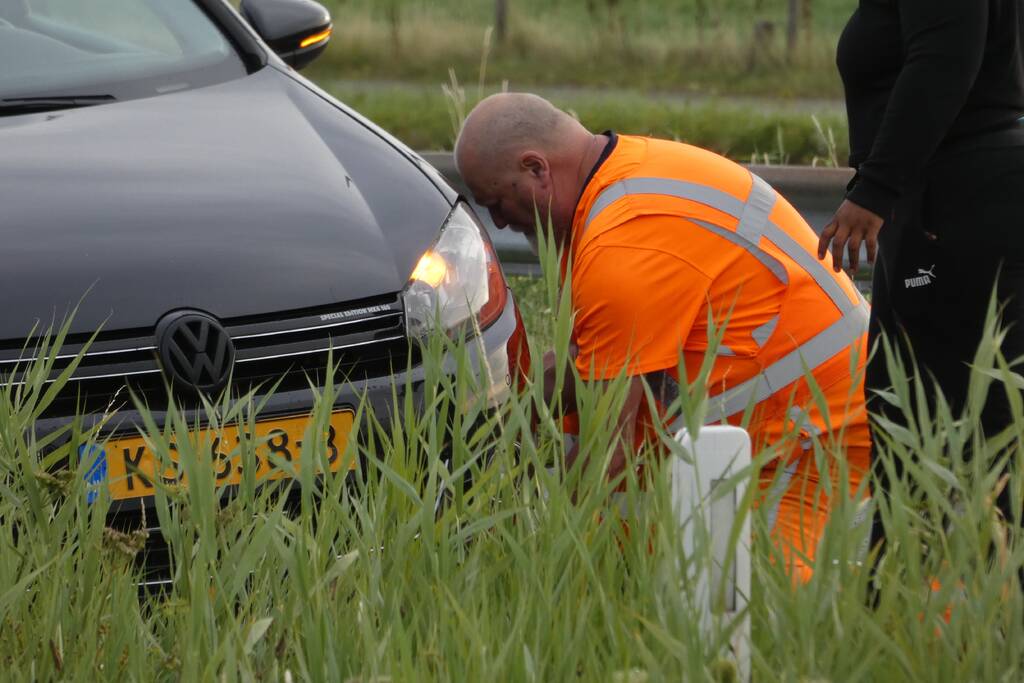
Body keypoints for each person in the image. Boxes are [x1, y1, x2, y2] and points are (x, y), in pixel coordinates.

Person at [455, 93, 871, 580]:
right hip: (771, 421)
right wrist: (500, 420)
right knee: (630, 546)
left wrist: (531, 563)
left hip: (810, 441)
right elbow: (590, 364)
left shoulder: (624, 238)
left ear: (536, 169)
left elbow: (609, 453)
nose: (500, 222)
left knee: (750, 610)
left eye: (498, 202)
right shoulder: (626, 174)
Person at [819, 1, 1024, 559]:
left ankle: (936, 612)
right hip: (945, 197)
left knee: (934, 420)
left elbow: (945, 56)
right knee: (919, 418)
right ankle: (919, 616)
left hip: (956, 203)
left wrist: (875, 189)